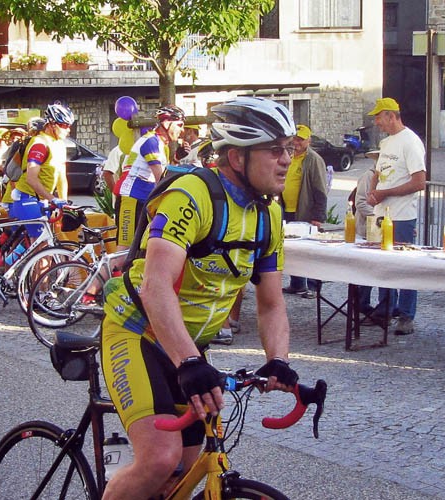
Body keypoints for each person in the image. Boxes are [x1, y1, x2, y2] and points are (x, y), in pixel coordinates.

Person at [100, 96, 299, 499]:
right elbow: (156, 286)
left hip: (188, 345)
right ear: (237, 157)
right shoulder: (192, 195)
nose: (286, 160)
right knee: (159, 458)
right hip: (137, 332)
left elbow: (271, 303)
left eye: (289, 149)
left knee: (190, 469)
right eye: (274, 150)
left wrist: (278, 360)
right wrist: (189, 362)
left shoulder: (269, 216)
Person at [365, 97, 426, 336]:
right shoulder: (387, 142)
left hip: (402, 216)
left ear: (391, 116)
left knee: (405, 266)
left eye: (379, 118)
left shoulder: (410, 141)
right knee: (383, 265)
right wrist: (373, 191)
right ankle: (385, 310)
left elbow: (419, 182)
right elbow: (378, 172)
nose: (377, 123)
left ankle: (406, 315)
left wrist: (386, 193)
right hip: (381, 214)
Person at [115, 105, 185, 251]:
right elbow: (161, 180)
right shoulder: (151, 142)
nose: (182, 130)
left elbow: (165, 174)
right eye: (179, 125)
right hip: (132, 199)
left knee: (141, 250)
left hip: (143, 201)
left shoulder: (161, 144)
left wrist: (177, 158)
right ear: (167, 123)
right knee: (124, 252)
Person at [11, 103, 75, 236]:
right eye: (64, 126)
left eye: (69, 126)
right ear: (52, 124)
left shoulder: (59, 145)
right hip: (27, 197)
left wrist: (63, 204)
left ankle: (10, 251)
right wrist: (53, 199)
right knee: (41, 243)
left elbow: (62, 177)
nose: (68, 130)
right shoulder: (39, 144)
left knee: (40, 241)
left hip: (42, 199)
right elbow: (31, 178)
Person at [281, 124, 327, 299]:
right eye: (295, 139)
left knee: (310, 251)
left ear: (309, 140)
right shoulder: (290, 155)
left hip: (305, 211)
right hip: (287, 210)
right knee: (293, 249)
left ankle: (314, 287)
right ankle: (297, 283)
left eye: (301, 139)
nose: (297, 142)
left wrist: (318, 216)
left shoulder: (313, 159)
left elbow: (320, 189)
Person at [353, 151, 379, 314]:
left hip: (378, 230)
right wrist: (379, 218)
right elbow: (361, 203)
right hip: (366, 230)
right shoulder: (367, 177)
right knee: (365, 269)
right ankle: (361, 303)